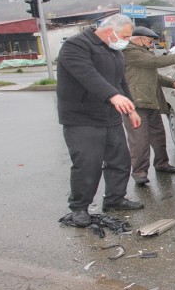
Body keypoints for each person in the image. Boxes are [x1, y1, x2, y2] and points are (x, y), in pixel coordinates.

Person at [57, 14, 144, 227]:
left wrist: (130, 108)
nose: (127, 40)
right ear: (108, 31)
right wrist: (112, 96)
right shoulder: (75, 46)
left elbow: (120, 80)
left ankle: (115, 199)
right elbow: (87, 75)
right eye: (124, 36)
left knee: (120, 161)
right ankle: (79, 207)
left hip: (110, 116)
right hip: (82, 118)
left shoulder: (114, 50)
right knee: (88, 164)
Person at [122, 26, 175, 185]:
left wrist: (172, 82)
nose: (151, 44)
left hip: (150, 100)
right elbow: (155, 62)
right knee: (139, 140)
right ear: (138, 39)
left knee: (158, 135)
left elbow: (153, 75)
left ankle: (162, 163)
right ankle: (139, 172)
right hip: (136, 103)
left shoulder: (142, 52)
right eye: (149, 41)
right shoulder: (129, 51)